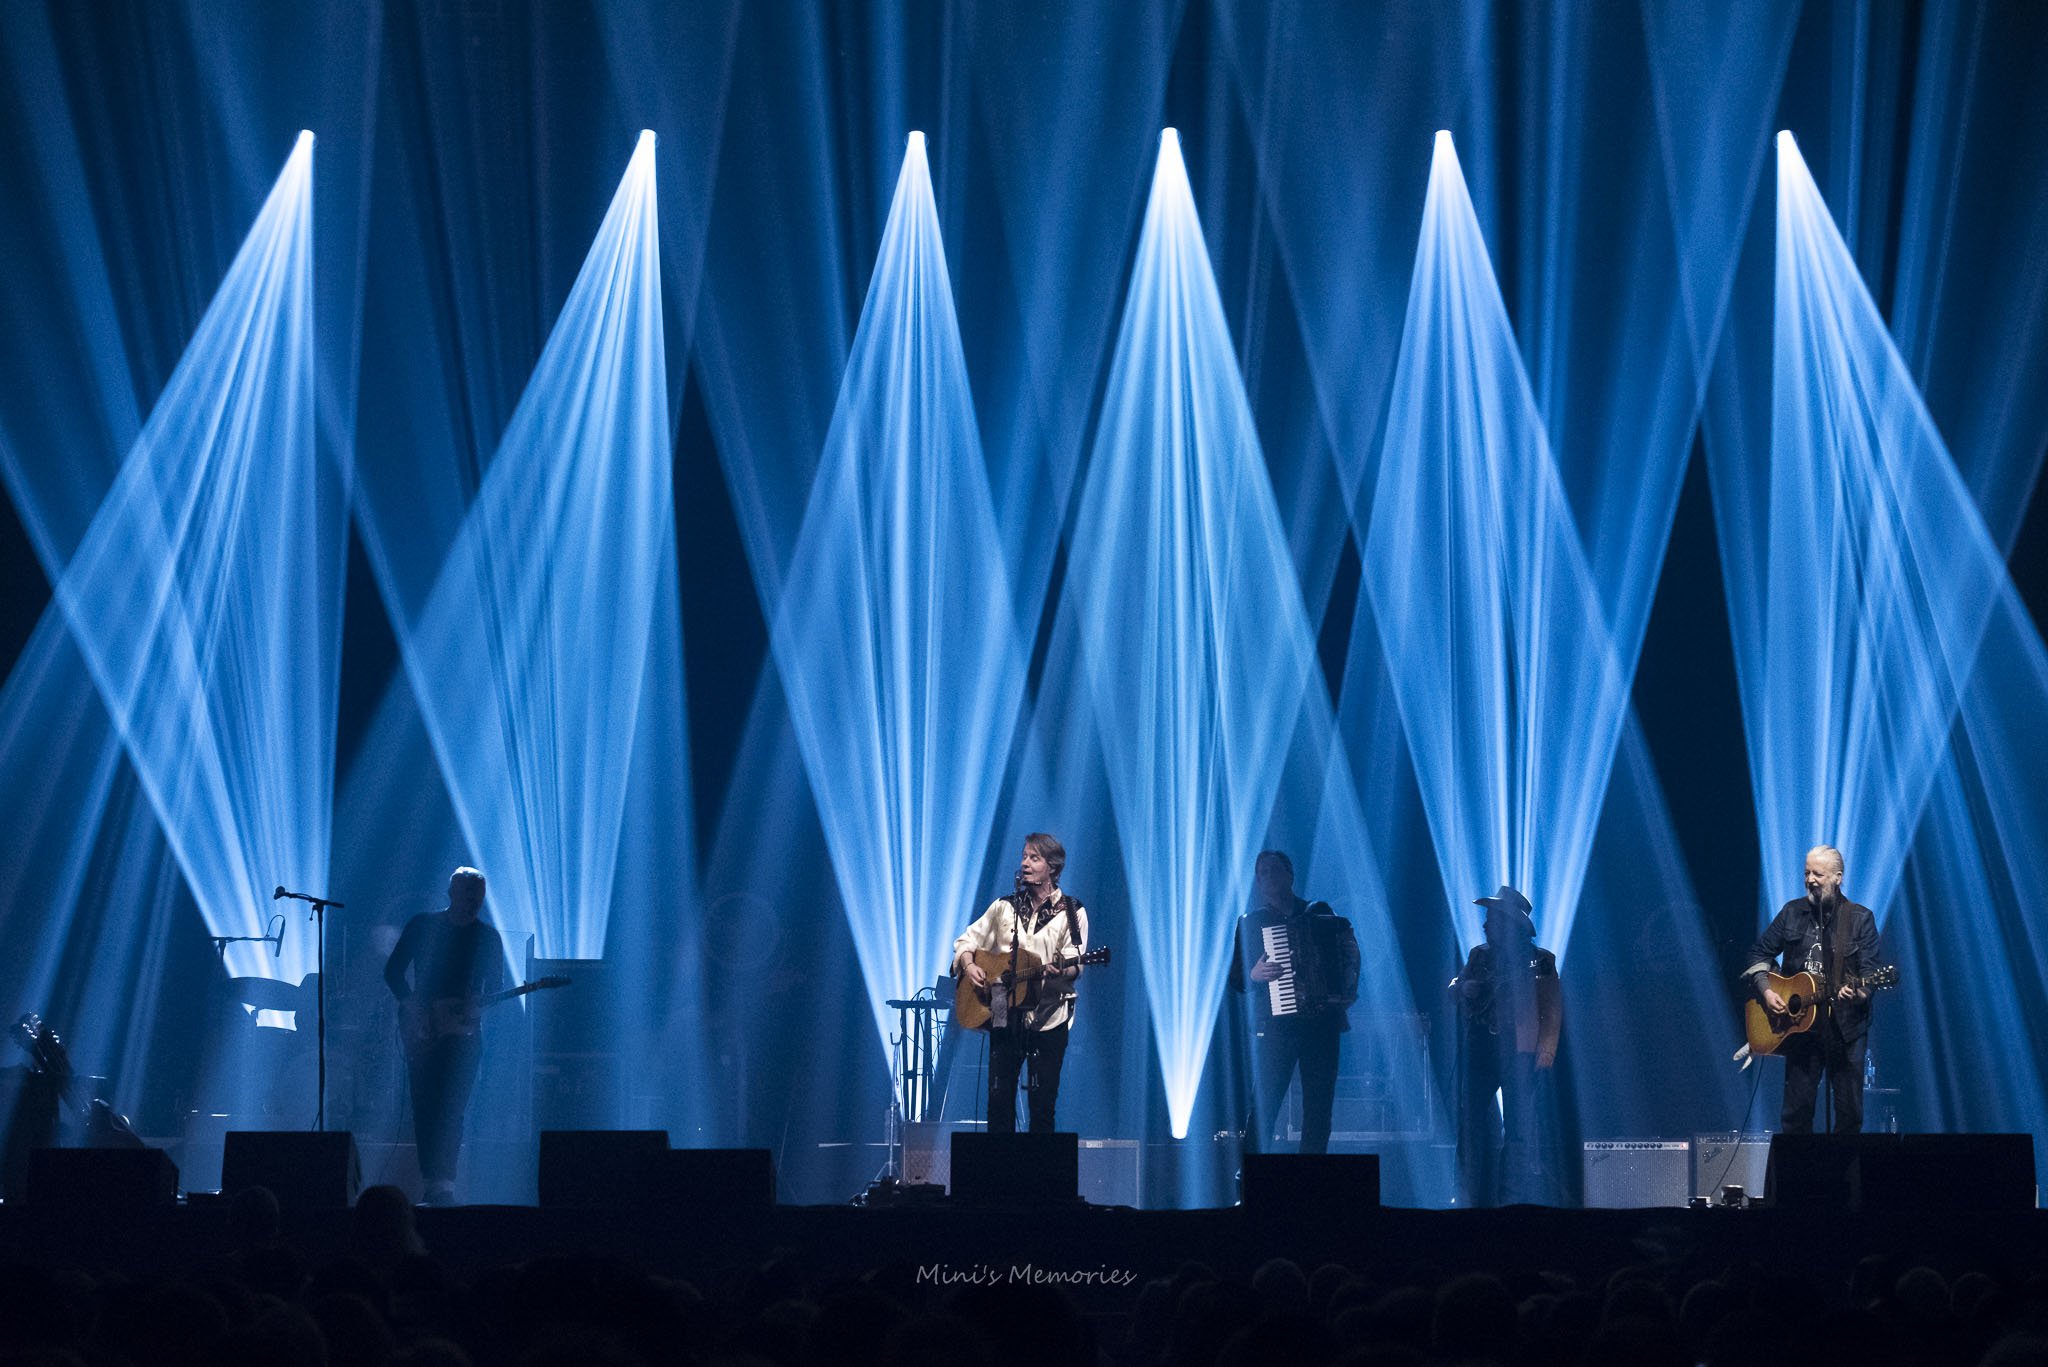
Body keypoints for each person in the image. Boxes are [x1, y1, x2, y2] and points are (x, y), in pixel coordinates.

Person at [383, 866, 506, 1205]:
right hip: (422, 1028)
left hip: (464, 1032)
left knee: (452, 1107)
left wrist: (477, 1005)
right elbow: (393, 971)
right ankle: (431, 1181)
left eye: (478, 899)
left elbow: (495, 988)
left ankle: (444, 1184)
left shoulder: (487, 938)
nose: (474, 904)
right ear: (452, 892)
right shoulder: (423, 926)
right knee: (425, 1107)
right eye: (468, 896)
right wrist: (413, 1007)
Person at [952, 833, 1089, 1133]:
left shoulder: (1072, 911)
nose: (1025, 863)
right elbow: (966, 940)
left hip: (1049, 1016)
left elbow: (1075, 961)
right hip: (1002, 1010)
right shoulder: (1005, 907)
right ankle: (999, 1177)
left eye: (1034, 858)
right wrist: (970, 964)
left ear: (1052, 867)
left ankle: (1040, 1178)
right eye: (1024, 856)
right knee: (998, 1102)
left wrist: (1061, 971)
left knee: (1042, 1106)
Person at [1742, 845, 1882, 1133]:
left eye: (1818, 874)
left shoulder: (1859, 919)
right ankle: (1798, 1176)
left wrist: (1857, 993)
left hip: (1846, 1032)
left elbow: (1870, 976)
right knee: (1795, 1115)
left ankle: (1844, 1177)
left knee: (1848, 1115)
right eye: (1806, 873)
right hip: (1800, 1030)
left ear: (1837, 878)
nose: (1810, 879)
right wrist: (1768, 992)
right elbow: (1759, 955)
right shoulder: (1792, 912)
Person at [1228, 851, 1359, 1154]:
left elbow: (1347, 953)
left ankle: (1310, 1180)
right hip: (1278, 1027)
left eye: (1275, 870)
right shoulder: (1251, 923)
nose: (1269, 876)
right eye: (1262, 872)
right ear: (1258, 882)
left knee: (1318, 1108)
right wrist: (1255, 973)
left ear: (1290, 875)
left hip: (1322, 1024)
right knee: (1265, 1105)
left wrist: (1346, 992)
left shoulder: (1319, 912)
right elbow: (1236, 979)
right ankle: (1249, 1180)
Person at [1452, 885, 1560, 1207]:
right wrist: (1462, 989)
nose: (1485, 924)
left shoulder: (1540, 961)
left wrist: (1545, 1052)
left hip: (1520, 1053)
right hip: (1481, 1048)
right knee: (1469, 1126)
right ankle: (1466, 1197)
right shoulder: (1479, 955)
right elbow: (1456, 986)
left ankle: (1510, 1202)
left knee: (1518, 1132)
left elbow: (1551, 1009)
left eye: (1491, 918)